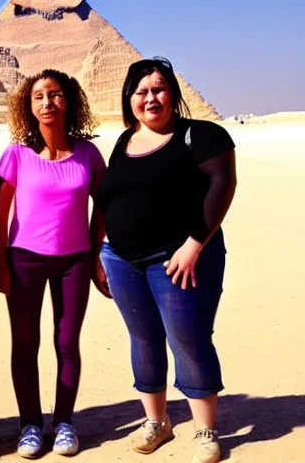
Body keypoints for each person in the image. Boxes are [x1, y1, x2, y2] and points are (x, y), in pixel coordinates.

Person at [95, 57, 237, 463]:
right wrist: (99, 253)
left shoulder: (202, 134)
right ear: (129, 99)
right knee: (143, 340)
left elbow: (222, 183)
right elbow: (107, 202)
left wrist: (194, 244)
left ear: (173, 92)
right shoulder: (124, 142)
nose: (150, 98)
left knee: (188, 339)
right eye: (141, 92)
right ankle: (156, 421)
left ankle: (206, 430)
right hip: (122, 259)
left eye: (158, 89)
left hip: (179, 257)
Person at [0, 69, 107, 458]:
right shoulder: (16, 154)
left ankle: (63, 423)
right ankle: (29, 424)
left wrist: (95, 255)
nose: (47, 103)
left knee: (66, 343)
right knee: (25, 344)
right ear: (28, 105)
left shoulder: (88, 154)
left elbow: (103, 206)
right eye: (38, 96)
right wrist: (0, 264)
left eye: (55, 95)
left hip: (74, 261)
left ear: (69, 100)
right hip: (24, 260)